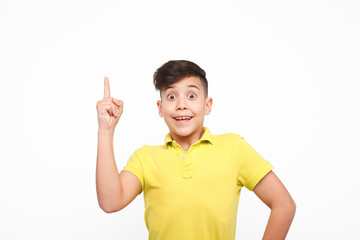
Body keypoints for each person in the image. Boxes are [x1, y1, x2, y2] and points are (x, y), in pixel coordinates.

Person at [96, 60, 296, 240]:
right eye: (171, 96)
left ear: (207, 105)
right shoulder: (145, 158)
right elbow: (110, 202)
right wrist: (106, 130)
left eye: (191, 95)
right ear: (160, 108)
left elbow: (283, 204)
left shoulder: (234, 148)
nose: (181, 105)